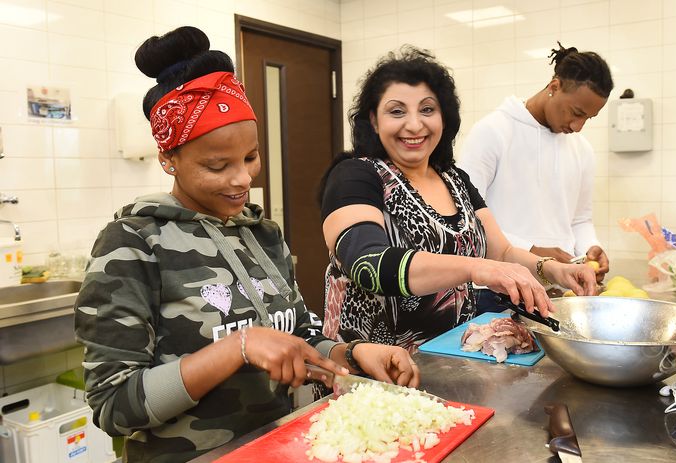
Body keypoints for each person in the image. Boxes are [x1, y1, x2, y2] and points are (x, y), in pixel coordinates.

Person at [74, 27, 418, 463]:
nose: (243, 179)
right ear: (168, 159)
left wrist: (350, 352)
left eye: (251, 157)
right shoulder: (133, 244)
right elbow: (114, 405)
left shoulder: (262, 234)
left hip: (277, 448)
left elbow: (297, 334)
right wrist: (237, 347)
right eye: (217, 165)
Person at [319, 46, 598, 352]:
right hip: (373, 374)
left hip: (450, 361)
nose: (414, 124)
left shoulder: (454, 179)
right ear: (374, 120)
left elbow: (501, 252)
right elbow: (368, 263)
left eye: (427, 109)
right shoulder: (356, 176)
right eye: (397, 111)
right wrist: (475, 268)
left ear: (444, 117)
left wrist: (553, 269)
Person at [458, 43, 612, 284]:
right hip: (497, 287)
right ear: (554, 86)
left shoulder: (582, 149)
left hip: (561, 287)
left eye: (588, 118)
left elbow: (580, 219)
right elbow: (465, 217)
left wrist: (592, 246)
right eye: (575, 112)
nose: (577, 126)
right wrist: (530, 250)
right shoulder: (492, 132)